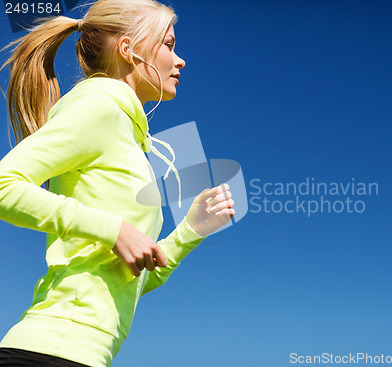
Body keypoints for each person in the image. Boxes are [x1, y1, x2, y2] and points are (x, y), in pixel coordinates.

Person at [0, 0, 235, 366]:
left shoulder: (128, 134)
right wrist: (114, 230)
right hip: (48, 351)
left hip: (86, 356)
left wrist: (190, 231)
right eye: (169, 44)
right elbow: (4, 185)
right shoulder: (100, 108)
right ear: (128, 50)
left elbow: (131, 279)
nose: (180, 60)